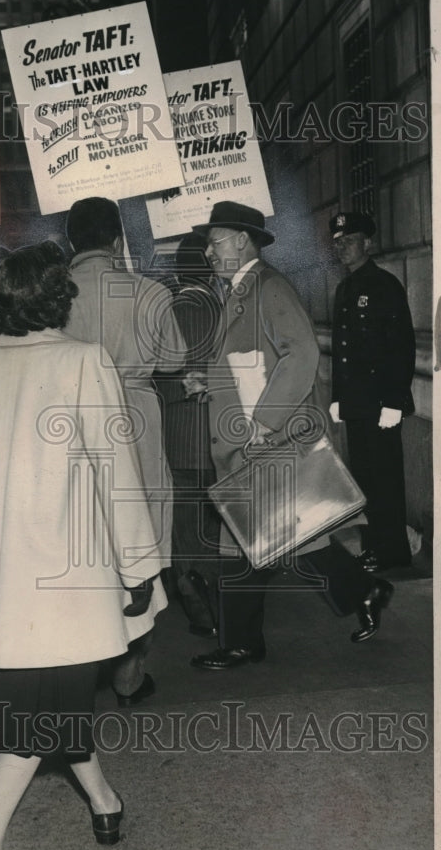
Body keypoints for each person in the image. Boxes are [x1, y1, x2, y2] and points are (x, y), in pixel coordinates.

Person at [0, 241, 167, 850]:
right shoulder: (84, 360)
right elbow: (115, 472)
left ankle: (103, 801)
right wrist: (139, 567)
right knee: (36, 715)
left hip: (5, 571)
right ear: (59, 297)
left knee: (59, 696)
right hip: (70, 573)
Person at [186, 202, 394, 671]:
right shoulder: (241, 290)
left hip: (265, 444)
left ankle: (243, 641)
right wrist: (210, 382)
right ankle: (365, 591)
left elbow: (300, 354)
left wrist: (264, 421)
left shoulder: (268, 287)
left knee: (253, 540)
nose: (207, 251)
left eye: (214, 240)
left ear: (242, 239)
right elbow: (250, 363)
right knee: (282, 538)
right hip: (251, 444)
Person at [63, 197, 187, 706]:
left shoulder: (55, 296)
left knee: (87, 542)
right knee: (144, 545)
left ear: (71, 243)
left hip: (72, 425)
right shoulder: (150, 292)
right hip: (136, 421)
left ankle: (84, 659)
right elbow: (174, 359)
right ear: (117, 240)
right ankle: (131, 672)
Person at [329, 211, 415, 573]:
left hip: (381, 403)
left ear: (368, 243)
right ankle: (375, 547)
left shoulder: (384, 285)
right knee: (365, 479)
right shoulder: (345, 288)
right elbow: (341, 348)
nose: (341, 248)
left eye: (348, 241)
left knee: (385, 480)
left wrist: (395, 401)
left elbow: (402, 345)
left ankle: (393, 551)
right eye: (337, 242)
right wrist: (337, 397)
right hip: (357, 403)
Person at [155, 232, 223, 637]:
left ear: (179, 271)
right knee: (219, 523)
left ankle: (192, 591)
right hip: (218, 430)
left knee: (184, 523)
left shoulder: (167, 309)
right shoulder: (228, 306)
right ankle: (220, 595)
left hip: (178, 433)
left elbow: (158, 370)